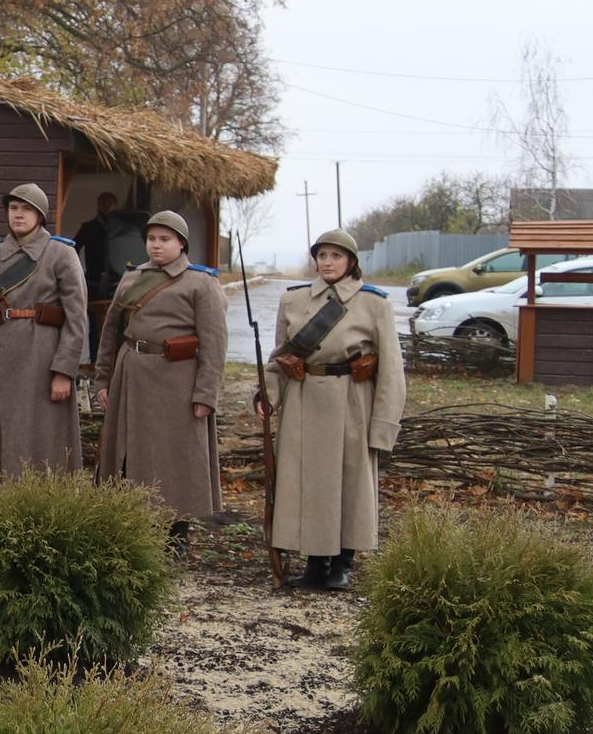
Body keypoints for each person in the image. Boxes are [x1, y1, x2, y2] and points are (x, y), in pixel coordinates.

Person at [257, 229, 406, 590]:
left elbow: (391, 371)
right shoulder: (293, 301)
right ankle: (314, 563)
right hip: (303, 399)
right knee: (306, 483)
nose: (327, 263)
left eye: (336, 256)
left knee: (348, 481)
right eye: (322, 256)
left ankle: (342, 563)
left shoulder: (374, 304)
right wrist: (267, 396)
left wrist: (383, 425)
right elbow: (281, 357)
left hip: (351, 401)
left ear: (351, 262)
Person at [94, 209, 226, 543]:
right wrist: (102, 379)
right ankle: (134, 529)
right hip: (131, 375)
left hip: (176, 383)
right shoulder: (132, 278)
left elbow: (214, 344)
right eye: (152, 238)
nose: (156, 245)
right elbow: (110, 332)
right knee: (129, 455)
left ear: (181, 243)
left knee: (174, 458)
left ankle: (175, 534)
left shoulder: (201, 282)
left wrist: (205, 395)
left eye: (165, 239)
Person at [0, 183, 91, 490]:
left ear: (40, 216)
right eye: (14, 208)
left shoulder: (61, 254)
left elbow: (76, 318)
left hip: (43, 362)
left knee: (44, 443)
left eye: (27, 209)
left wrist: (64, 371)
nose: (18, 215)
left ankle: (42, 508)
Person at [72, 190, 122, 296]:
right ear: (98, 205)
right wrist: (77, 271)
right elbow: (73, 248)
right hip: (93, 280)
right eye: (103, 203)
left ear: (115, 206)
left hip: (117, 281)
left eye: (110, 203)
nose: (106, 206)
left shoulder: (121, 229)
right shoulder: (88, 227)